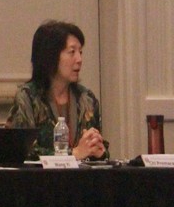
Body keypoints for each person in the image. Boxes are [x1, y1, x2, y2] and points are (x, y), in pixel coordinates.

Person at [6, 20, 107, 160]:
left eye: (80, 52)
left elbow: (100, 151)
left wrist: (99, 151)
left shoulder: (87, 99)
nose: (79, 59)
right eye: (72, 52)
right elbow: (22, 151)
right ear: (50, 56)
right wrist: (73, 154)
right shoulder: (28, 97)